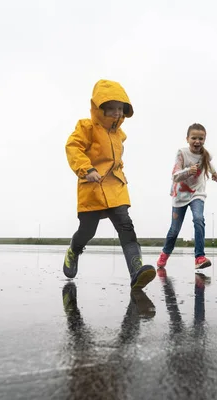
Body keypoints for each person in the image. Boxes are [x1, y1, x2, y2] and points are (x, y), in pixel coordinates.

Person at [63, 79, 155, 289]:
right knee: (88, 231)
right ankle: (74, 250)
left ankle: (136, 271)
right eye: (111, 109)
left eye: (120, 109)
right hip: (92, 186)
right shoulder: (86, 127)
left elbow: (116, 161)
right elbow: (73, 148)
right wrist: (87, 170)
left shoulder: (119, 135)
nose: (117, 114)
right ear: (99, 108)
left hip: (115, 186)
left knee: (125, 225)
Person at [156, 123, 217, 270]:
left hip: (197, 193)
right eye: (194, 138)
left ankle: (199, 257)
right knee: (174, 230)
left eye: (201, 138)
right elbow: (175, 176)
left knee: (199, 218)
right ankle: (164, 254)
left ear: (204, 140)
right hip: (180, 196)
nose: (197, 141)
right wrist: (187, 171)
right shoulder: (182, 153)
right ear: (187, 139)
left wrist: (214, 173)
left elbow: (209, 164)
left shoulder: (205, 154)